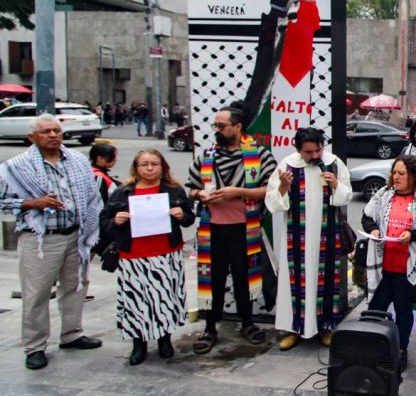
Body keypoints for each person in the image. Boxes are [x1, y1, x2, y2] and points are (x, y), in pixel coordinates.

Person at [0, 115, 104, 370]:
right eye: (46, 131)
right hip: (40, 239)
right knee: (36, 294)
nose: (53, 135)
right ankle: (35, 347)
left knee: (76, 286)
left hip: (75, 236)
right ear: (31, 137)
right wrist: (32, 203)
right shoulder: (16, 167)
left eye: (56, 130)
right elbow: (2, 201)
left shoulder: (78, 160)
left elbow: (92, 196)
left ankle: (72, 334)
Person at [186, 105, 277, 354]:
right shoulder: (207, 156)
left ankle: (247, 323)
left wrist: (237, 192)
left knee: (244, 279)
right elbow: (190, 188)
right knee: (212, 280)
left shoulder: (259, 155)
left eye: (221, 126)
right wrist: (200, 195)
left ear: (237, 127)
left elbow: (270, 190)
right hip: (212, 230)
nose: (217, 130)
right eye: (215, 125)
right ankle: (210, 327)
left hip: (244, 229)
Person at [100, 150, 195, 365]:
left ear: (163, 167)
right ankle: (138, 344)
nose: (150, 168)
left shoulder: (173, 190)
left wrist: (182, 215)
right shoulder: (122, 193)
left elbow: (189, 218)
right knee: (136, 301)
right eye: (144, 164)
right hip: (134, 256)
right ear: (136, 168)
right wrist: (116, 220)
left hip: (165, 254)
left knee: (164, 299)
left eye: (154, 164)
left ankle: (164, 340)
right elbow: (104, 223)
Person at [264, 127, 352, 350]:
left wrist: (334, 184)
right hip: (296, 235)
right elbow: (272, 202)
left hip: (327, 234)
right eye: (308, 152)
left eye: (317, 150)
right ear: (298, 150)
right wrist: (284, 186)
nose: (314, 156)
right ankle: (294, 329)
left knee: (326, 280)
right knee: (294, 283)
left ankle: (325, 327)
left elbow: (347, 195)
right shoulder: (287, 165)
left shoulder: (333, 162)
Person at [362, 155, 416, 371]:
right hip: (382, 268)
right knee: (375, 310)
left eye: (402, 173)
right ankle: (374, 349)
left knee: (403, 312)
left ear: (414, 176)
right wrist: (372, 228)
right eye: (394, 172)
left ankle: (400, 350)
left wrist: (413, 235)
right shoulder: (383, 195)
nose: (396, 176)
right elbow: (366, 218)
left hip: (407, 270)